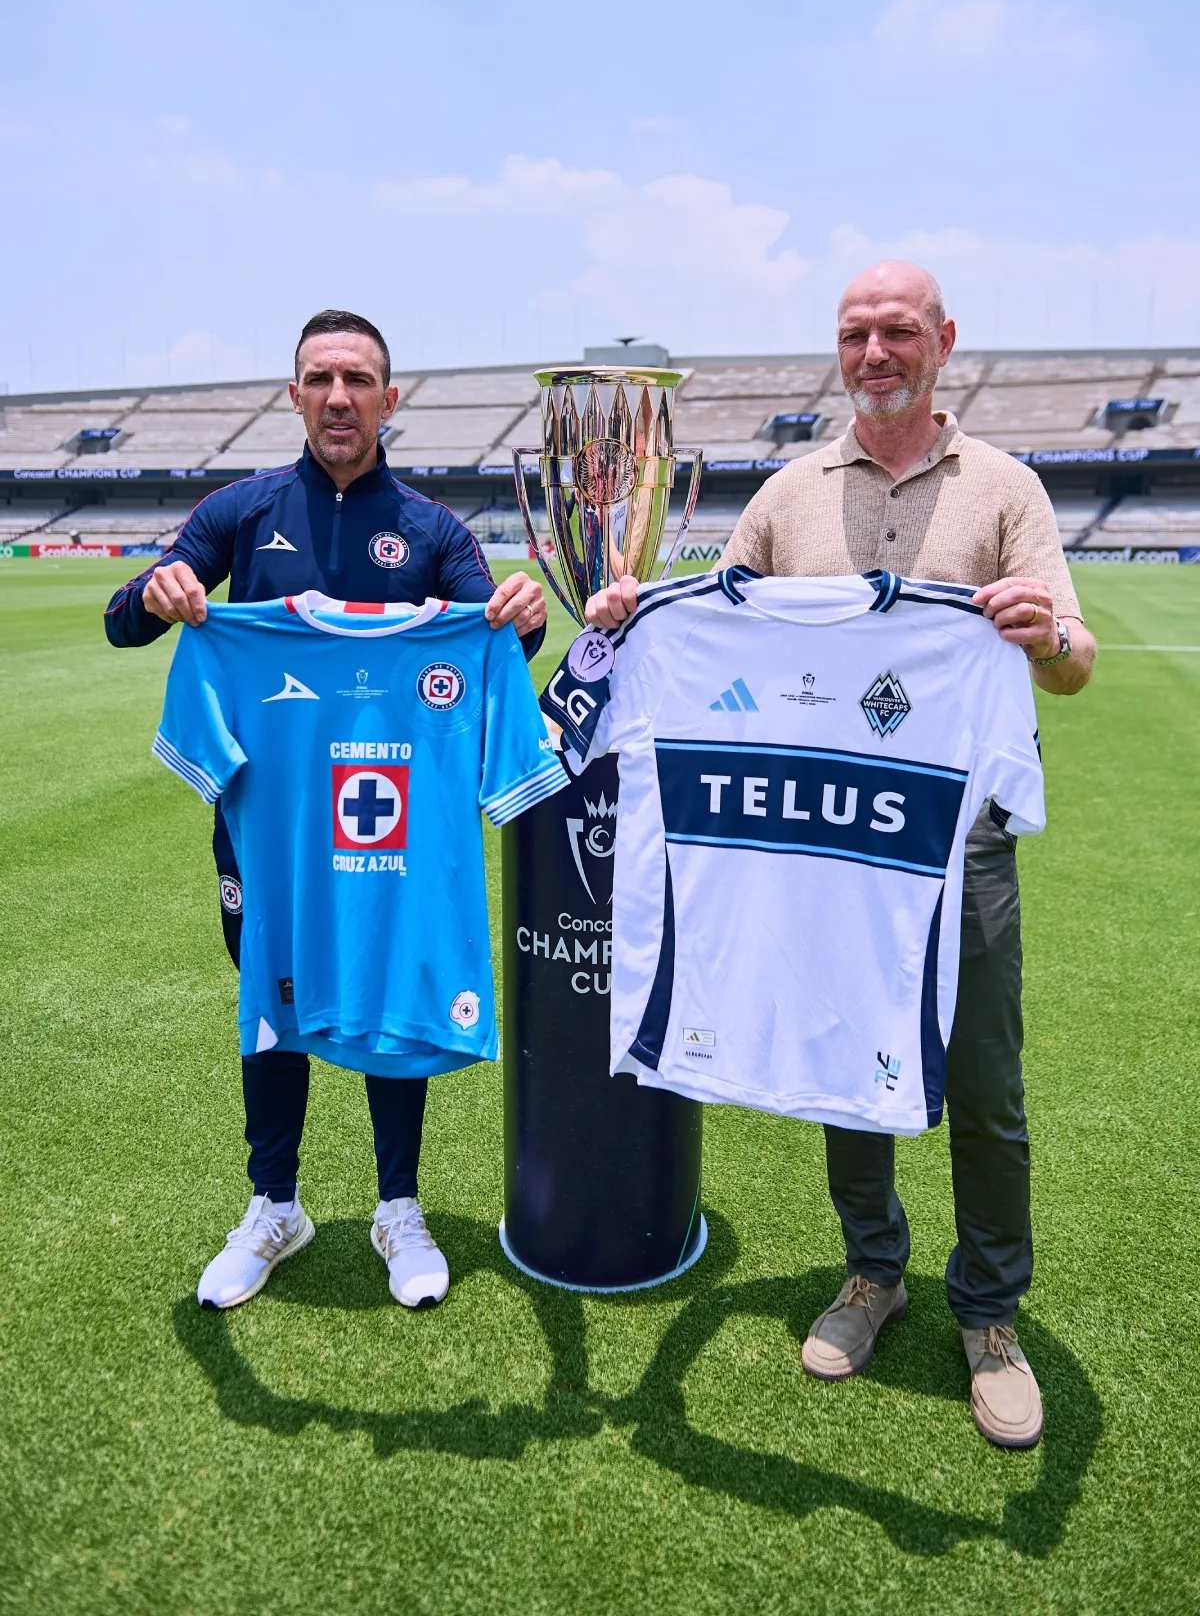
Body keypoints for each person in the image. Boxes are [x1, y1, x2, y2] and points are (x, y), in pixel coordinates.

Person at [585, 261, 1095, 1449]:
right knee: (842, 1045)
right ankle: (875, 1272)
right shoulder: (790, 492)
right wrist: (631, 613)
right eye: (856, 332)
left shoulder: (1007, 489)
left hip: (955, 845)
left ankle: (991, 1311)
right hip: (816, 840)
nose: (876, 351)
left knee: (985, 1085)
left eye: (899, 331)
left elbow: (1072, 663)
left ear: (944, 342)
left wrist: (1047, 634)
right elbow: (715, 620)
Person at [105, 308, 547, 1312]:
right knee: (276, 999)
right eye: (320, 379)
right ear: (294, 393)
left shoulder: (433, 531)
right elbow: (122, 621)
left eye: (358, 380)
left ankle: (398, 1205)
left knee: (392, 985)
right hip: (278, 837)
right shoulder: (240, 513)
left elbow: (490, 660)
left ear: (390, 399)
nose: (339, 397)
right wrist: (158, 587)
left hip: (392, 832)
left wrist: (517, 620)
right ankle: (276, 1204)